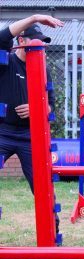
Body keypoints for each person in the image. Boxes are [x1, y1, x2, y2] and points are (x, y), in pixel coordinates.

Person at [0, 15, 64, 232]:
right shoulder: (5, 61)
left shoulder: (43, 70)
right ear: (21, 42)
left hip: (31, 135)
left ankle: (52, 231)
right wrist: (35, 18)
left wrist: (37, 108)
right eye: (35, 42)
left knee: (42, 184)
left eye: (43, 44)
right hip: (3, 132)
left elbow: (51, 107)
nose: (41, 48)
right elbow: (2, 37)